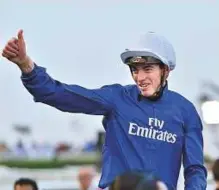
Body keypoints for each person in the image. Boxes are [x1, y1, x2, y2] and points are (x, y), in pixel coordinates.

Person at [2, 30, 207, 190]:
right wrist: (26, 65)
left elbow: (195, 169)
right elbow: (60, 95)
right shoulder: (117, 98)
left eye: (148, 69)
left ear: (166, 70)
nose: (140, 77)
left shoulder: (185, 111)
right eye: (135, 70)